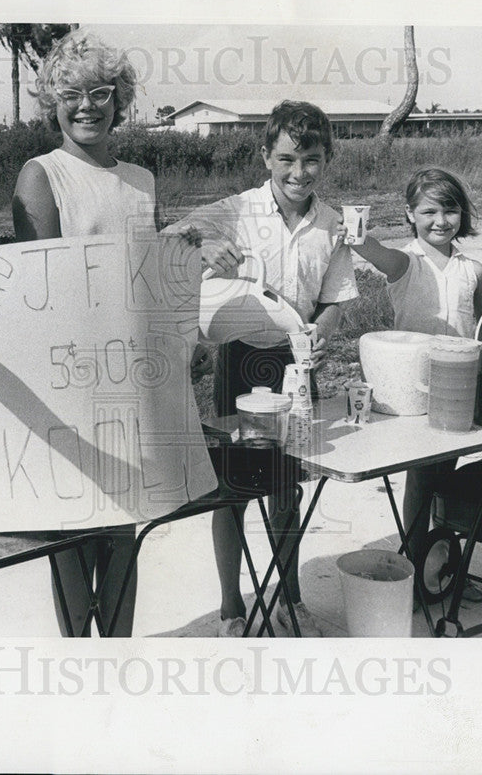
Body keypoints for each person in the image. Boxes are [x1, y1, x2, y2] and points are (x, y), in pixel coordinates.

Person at [164, 101, 359, 637]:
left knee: (288, 484)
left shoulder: (332, 224)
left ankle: (288, 598)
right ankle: (231, 608)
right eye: (287, 159)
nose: (299, 173)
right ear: (266, 157)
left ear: (327, 159)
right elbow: (171, 237)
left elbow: (336, 298)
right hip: (241, 360)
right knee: (231, 490)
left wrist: (325, 328)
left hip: (299, 364)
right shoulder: (239, 208)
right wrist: (205, 246)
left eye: (312, 160)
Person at [11, 29, 159, 637]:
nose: (87, 105)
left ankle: (118, 664)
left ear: (118, 100)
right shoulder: (40, 174)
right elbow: (37, 290)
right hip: (68, 378)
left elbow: (152, 277)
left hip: (132, 377)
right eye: (71, 93)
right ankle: (78, 664)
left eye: (100, 92)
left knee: (125, 528)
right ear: (53, 102)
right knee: (71, 531)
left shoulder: (143, 178)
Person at [350, 167, 482, 602]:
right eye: (429, 210)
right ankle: (414, 571)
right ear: (410, 214)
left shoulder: (474, 269)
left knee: (447, 482)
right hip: (414, 390)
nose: (440, 220)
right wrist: (356, 235)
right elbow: (375, 253)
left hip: (459, 390)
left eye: (450, 210)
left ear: (461, 214)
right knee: (421, 480)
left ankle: (445, 568)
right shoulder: (407, 262)